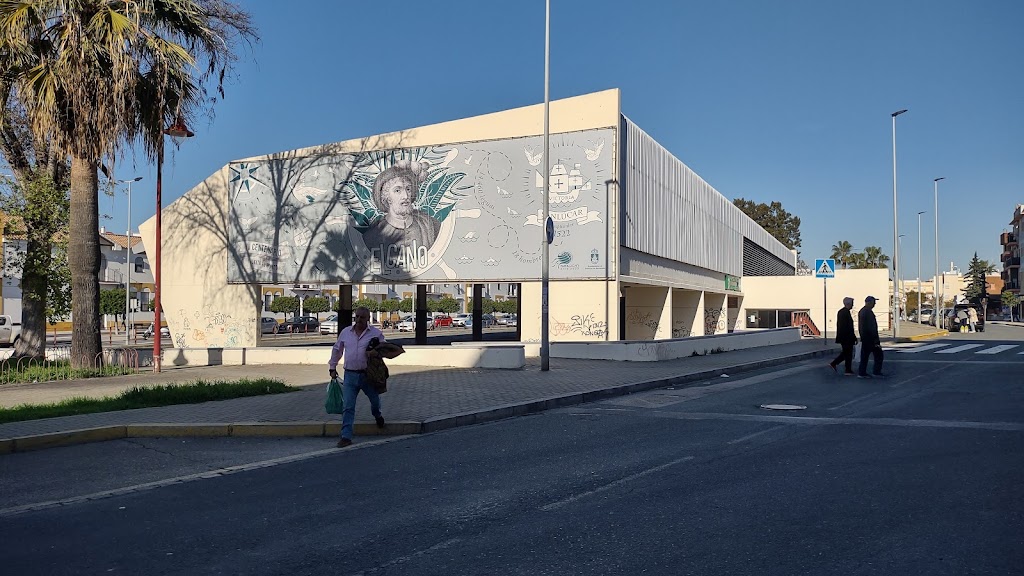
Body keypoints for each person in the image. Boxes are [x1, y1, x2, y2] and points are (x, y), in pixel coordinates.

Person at [328, 307, 387, 447]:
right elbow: (337, 350)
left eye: (362, 317)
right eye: (357, 316)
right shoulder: (346, 332)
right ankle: (346, 436)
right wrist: (332, 367)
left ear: (368, 319)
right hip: (350, 375)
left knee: (375, 401)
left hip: (368, 376)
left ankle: (378, 415)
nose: (359, 320)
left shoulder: (375, 333)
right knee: (348, 406)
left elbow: (384, 349)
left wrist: (375, 352)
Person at [361, 160, 441, 253]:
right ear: (386, 197)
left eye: (408, 189)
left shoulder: (428, 224)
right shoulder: (374, 233)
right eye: (398, 190)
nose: (406, 196)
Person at [828, 297, 858, 375]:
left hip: (845, 337)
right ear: (848, 304)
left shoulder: (843, 312)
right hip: (846, 337)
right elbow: (847, 326)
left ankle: (844, 367)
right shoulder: (844, 312)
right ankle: (844, 368)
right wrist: (852, 337)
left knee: (846, 353)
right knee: (847, 353)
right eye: (852, 303)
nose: (853, 305)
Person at [857, 295, 884, 379]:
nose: (874, 304)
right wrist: (876, 339)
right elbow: (871, 327)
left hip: (866, 338)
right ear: (868, 302)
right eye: (873, 302)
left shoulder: (863, 311)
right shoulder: (867, 312)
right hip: (870, 339)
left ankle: (862, 372)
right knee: (878, 355)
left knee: (865, 356)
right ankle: (875, 372)